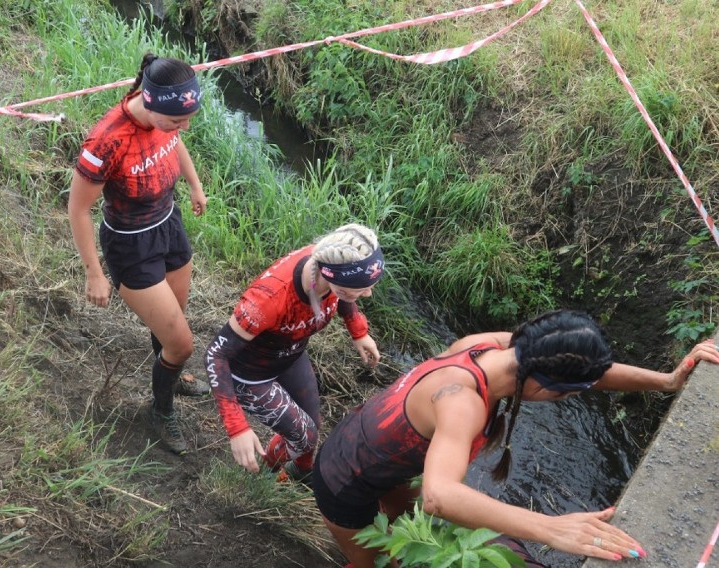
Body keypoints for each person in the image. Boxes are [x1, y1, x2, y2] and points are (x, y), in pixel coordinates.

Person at [311, 309, 719, 567]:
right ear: (545, 388)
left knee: (406, 528)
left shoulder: (498, 347)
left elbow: (589, 373)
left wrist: (666, 382)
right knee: (379, 564)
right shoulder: (461, 403)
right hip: (343, 481)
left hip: (383, 456)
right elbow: (439, 495)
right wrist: (550, 528)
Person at [68, 53, 211, 456]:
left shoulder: (168, 119)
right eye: (174, 121)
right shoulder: (106, 140)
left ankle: (171, 373)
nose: (181, 128)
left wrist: (195, 184)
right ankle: (160, 411)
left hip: (170, 226)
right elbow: (78, 209)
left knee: (171, 327)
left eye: (187, 120)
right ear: (149, 102)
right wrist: (93, 272)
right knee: (182, 344)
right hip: (132, 244)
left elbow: (175, 142)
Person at [204, 223, 384, 481]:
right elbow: (214, 354)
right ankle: (263, 474)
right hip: (248, 376)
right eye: (363, 287)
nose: (369, 293)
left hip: (289, 354)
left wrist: (358, 330)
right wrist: (236, 427)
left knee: (313, 424)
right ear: (336, 282)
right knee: (305, 435)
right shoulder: (268, 300)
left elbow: (346, 294)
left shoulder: (331, 259)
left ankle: (301, 471)